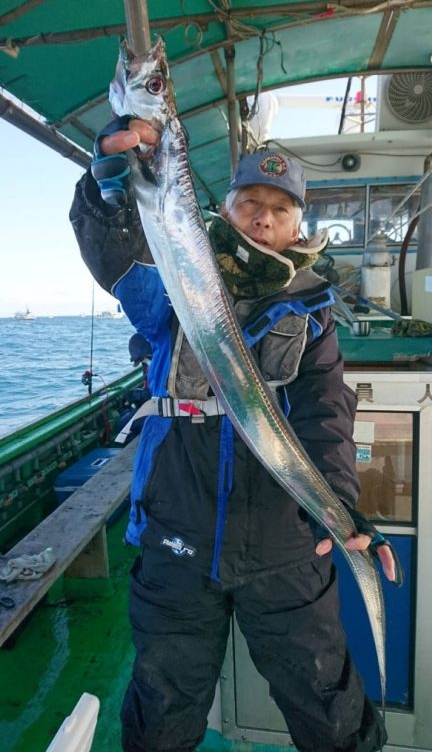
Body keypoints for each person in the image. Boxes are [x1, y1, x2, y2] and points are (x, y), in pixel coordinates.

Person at [70, 119, 400, 752]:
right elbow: (118, 256)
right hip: (176, 536)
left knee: (328, 707)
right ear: (225, 210)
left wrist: (338, 505)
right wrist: (107, 187)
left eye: (280, 208)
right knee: (162, 711)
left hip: (284, 546)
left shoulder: (312, 309)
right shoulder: (175, 277)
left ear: (297, 226)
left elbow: (325, 413)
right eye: (249, 201)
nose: (262, 217)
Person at [116, 333, 153, 444]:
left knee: (122, 425)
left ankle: (143, 446)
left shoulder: (153, 365)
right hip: (154, 406)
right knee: (125, 415)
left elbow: (156, 394)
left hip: (158, 410)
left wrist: (135, 395)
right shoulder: (150, 362)